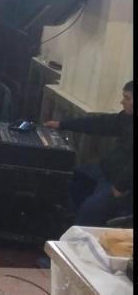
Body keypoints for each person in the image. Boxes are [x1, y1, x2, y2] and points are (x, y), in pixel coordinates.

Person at [44, 81, 133, 226]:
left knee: (90, 208)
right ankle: (66, 223)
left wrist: (121, 186)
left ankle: (79, 232)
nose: (122, 102)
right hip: (106, 171)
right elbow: (100, 123)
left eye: (127, 98)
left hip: (121, 184)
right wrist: (63, 124)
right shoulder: (126, 118)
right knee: (71, 178)